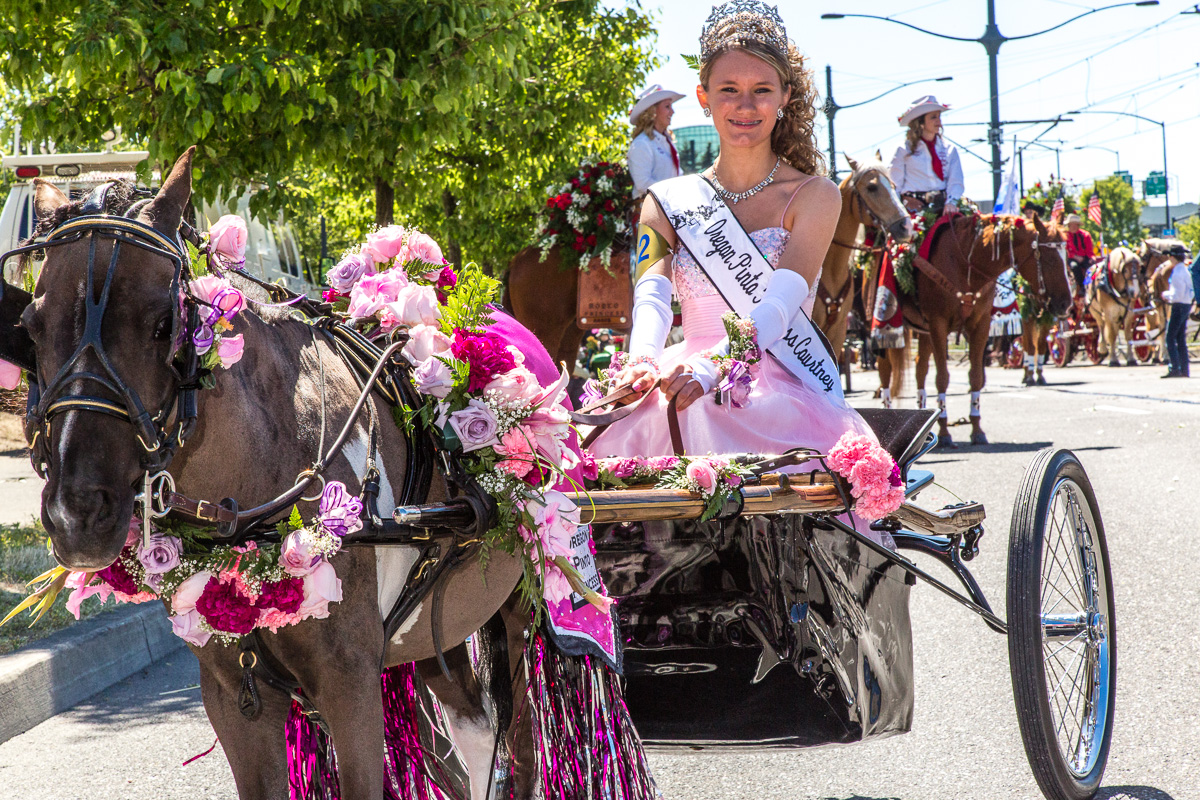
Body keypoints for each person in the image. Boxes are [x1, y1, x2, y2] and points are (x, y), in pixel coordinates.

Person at [590, 1, 885, 535]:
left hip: (776, 380)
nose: (744, 105)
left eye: (762, 89)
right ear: (704, 98)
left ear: (785, 97)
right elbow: (651, 295)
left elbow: (781, 302)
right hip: (676, 374)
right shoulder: (666, 200)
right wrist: (640, 364)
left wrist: (714, 368)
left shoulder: (814, 196)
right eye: (728, 89)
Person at [889, 96, 964, 215]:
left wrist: (951, 202)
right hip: (913, 209)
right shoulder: (903, 149)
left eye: (939, 116)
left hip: (944, 207)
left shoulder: (949, 149)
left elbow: (956, 180)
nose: (938, 122)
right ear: (921, 123)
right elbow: (895, 185)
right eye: (933, 117)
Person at [627, 84, 685, 198]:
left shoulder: (666, 142)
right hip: (649, 212)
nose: (672, 112)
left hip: (666, 209)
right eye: (667, 106)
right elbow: (642, 184)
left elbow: (677, 175)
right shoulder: (641, 143)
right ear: (653, 112)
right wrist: (673, 193)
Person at [1161, 243, 1194, 378]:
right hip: (1186, 305)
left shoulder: (1177, 273)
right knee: (1180, 338)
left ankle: (1175, 367)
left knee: (1170, 337)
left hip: (1178, 306)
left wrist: (1166, 295)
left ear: (1173, 257)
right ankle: (1184, 369)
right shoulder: (1185, 270)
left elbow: (1177, 294)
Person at [1063, 214, 1095, 296]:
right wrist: (1075, 256)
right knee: (1074, 266)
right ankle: (1082, 286)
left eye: (1075, 224)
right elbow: (1066, 250)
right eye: (1071, 225)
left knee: (1091, 267)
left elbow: (1089, 250)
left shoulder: (1086, 235)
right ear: (1069, 225)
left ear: (1078, 225)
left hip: (1085, 257)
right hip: (1072, 258)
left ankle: (1089, 285)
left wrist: (1091, 258)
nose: (1073, 227)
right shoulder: (1065, 236)